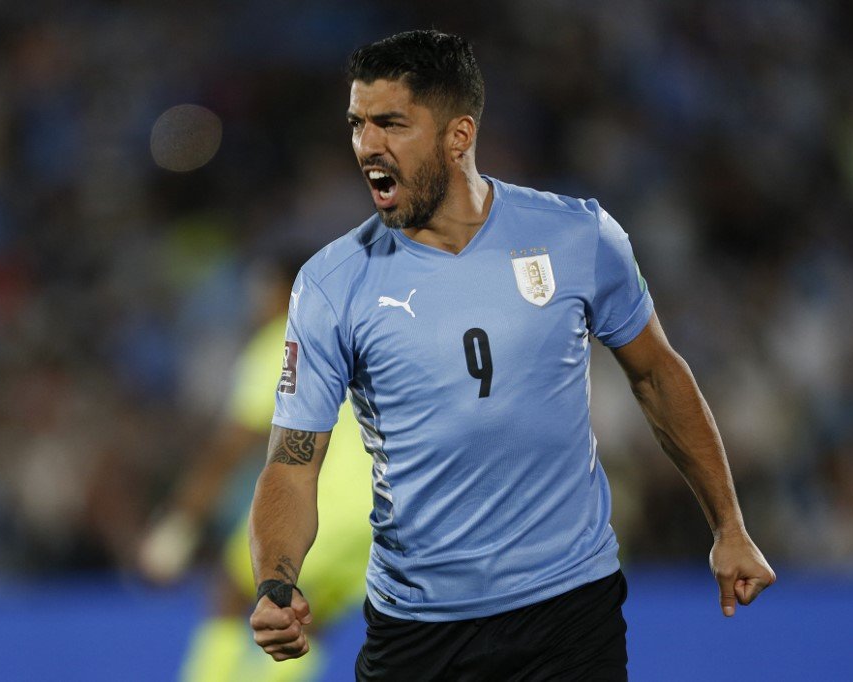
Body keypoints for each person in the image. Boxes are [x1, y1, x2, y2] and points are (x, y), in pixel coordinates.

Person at [248, 30, 776, 681]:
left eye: (391, 123)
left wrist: (729, 526)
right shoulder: (332, 285)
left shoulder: (578, 235)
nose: (367, 145)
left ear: (459, 136)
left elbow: (657, 375)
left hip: (570, 613)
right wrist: (276, 582)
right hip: (419, 629)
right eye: (358, 124)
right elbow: (292, 463)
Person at [137, 256, 371, 682]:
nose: (255, 302)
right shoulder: (356, 335)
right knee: (308, 620)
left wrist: (180, 522)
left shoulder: (284, 338)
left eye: (262, 289)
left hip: (323, 504)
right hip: (380, 515)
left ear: (287, 290)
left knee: (232, 589)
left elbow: (232, 445)